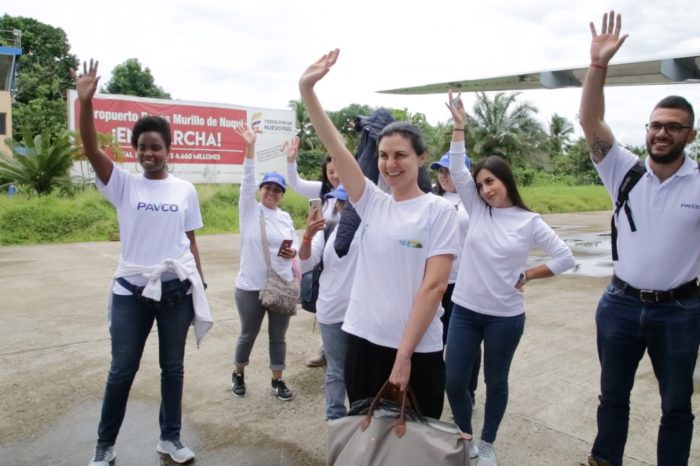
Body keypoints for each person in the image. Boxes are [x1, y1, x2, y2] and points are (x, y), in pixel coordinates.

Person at [299, 49, 460, 419]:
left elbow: (434, 288)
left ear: (421, 158)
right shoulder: (372, 202)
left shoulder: (439, 211)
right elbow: (335, 148)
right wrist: (307, 90)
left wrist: (403, 356)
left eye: (401, 155)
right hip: (363, 340)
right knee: (367, 438)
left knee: (414, 444)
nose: (391, 164)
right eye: (385, 155)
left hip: (416, 350)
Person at [74, 60, 212, 466]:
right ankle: (105, 445)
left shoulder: (184, 190)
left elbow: (189, 240)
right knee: (122, 371)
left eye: (156, 146)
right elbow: (91, 146)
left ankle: (169, 438)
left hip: (175, 289)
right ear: (135, 151)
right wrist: (86, 103)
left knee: (173, 368)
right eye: (143, 147)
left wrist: (199, 283)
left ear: (169, 151)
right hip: (131, 292)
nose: (149, 153)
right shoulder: (123, 184)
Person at [579, 11, 700, 466]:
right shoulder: (622, 170)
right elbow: (590, 121)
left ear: (689, 134)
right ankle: (604, 459)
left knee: (676, 406)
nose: (661, 132)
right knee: (612, 397)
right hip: (621, 305)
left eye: (672, 126)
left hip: (681, 310)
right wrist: (598, 66)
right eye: (655, 125)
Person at [444, 90, 575, 466]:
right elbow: (455, 170)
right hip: (466, 310)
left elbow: (565, 257)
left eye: (491, 181)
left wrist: (528, 274)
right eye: (481, 183)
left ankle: (487, 444)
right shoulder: (477, 209)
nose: (486, 189)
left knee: (495, 382)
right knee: (454, 381)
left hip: (505, 317)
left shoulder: (528, 221)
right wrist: (458, 128)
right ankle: (467, 437)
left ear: (505, 180)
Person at [231, 123, 299, 402]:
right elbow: (247, 181)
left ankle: (277, 380)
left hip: (280, 283)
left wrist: (291, 252)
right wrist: (250, 147)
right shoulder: (249, 211)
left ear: (282, 194)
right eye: (267, 188)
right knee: (248, 333)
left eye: (277, 189)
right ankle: (238, 373)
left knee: (278, 337)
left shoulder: (284, 217)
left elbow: (293, 243)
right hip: (250, 287)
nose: (271, 192)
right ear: (260, 191)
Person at [299, 185, 360, 420]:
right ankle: (335, 420)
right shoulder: (327, 230)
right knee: (336, 371)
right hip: (331, 310)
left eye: (348, 203)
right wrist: (307, 235)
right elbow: (306, 260)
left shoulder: (370, 230)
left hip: (360, 313)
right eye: (340, 203)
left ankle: (358, 418)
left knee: (358, 372)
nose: (343, 207)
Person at [286, 138, 341, 367]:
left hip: (352, 262)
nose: (335, 176)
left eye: (339, 171)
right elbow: (296, 184)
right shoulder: (323, 192)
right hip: (327, 263)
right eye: (330, 172)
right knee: (326, 307)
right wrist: (290, 161)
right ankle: (326, 348)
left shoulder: (361, 193)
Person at [430, 153, 480, 406]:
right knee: (436, 336)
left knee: (468, 340)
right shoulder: (432, 200)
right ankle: (435, 385)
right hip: (437, 280)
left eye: (448, 171)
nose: (443, 175)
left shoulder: (476, 202)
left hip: (466, 281)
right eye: (440, 170)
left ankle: (468, 391)